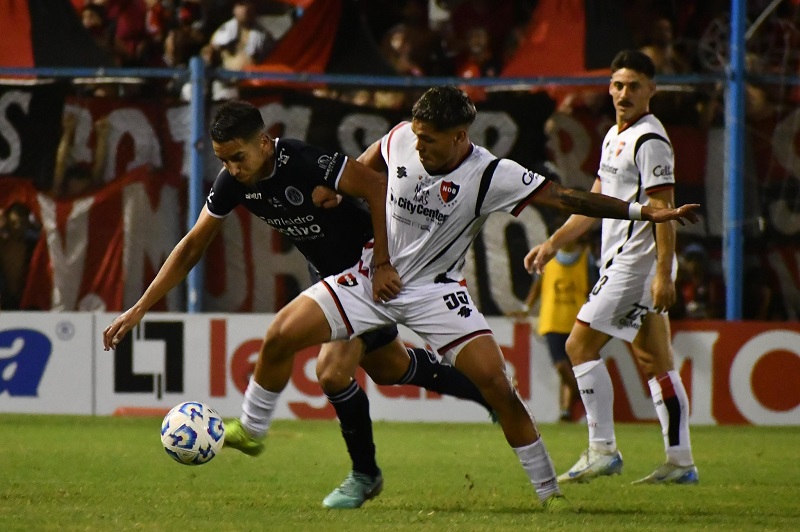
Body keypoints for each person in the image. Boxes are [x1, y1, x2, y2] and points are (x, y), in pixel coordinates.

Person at [111, 87, 695, 510]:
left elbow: (568, 197)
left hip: (430, 287)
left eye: (432, 140)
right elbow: (374, 165)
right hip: (367, 276)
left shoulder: (493, 174)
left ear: (461, 136)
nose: (421, 147)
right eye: (417, 136)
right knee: (301, 343)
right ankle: (267, 437)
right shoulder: (396, 141)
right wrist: (140, 306)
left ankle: (546, 495)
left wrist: (645, 210)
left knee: (479, 380)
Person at [102, 100, 493, 509]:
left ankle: (359, 473)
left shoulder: (306, 161)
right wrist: (140, 307)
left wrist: (381, 262)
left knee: (331, 371)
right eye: (223, 160)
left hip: (368, 269)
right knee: (390, 368)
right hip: (326, 274)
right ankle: (488, 392)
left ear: (265, 143)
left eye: (238, 157)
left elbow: (376, 186)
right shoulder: (233, 181)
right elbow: (192, 246)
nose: (232, 168)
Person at [525, 50, 700, 485]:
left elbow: (663, 210)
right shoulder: (613, 136)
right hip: (626, 263)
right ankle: (680, 462)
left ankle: (602, 449)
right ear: (609, 87)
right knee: (655, 361)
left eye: (634, 86)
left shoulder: (650, 140)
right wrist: (551, 243)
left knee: (578, 346)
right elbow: (594, 203)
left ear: (651, 90)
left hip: (635, 267)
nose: (624, 93)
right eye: (618, 85)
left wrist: (662, 272)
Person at [517, 231, 595, 422]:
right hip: (552, 319)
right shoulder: (549, 257)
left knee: (572, 366)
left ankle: (566, 411)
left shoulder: (586, 257)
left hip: (577, 319)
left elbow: (593, 286)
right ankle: (583, 396)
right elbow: (537, 285)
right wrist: (527, 307)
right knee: (561, 365)